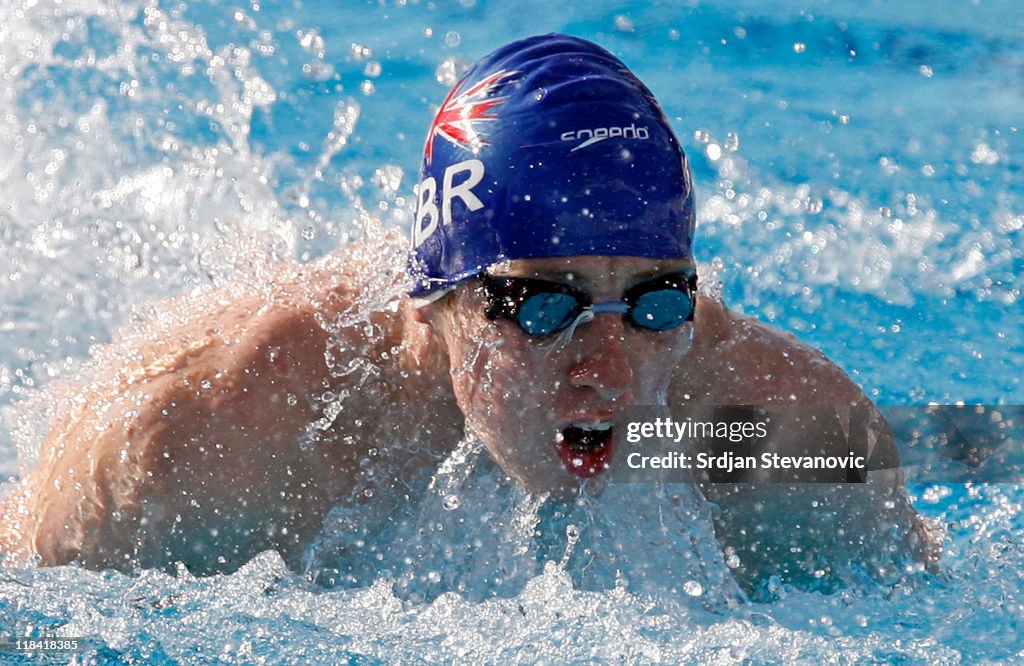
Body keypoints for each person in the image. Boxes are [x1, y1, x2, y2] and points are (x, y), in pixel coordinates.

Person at [0, 34, 938, 591]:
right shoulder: (209, 435)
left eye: (652, 305)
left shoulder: (791, 436)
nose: (607, 373)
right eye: (544, 308)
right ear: (436, 293)